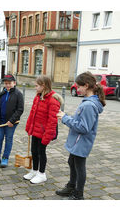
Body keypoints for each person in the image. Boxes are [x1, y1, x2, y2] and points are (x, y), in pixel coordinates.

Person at [56, 71, 105, 200]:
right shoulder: (87, 102)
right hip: (77, 141)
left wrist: (65, 118)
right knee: (71, 162)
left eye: (79, 86)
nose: (77, 89)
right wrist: (67, 116)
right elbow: (81, 121)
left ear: (86, 86)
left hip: (81, 142)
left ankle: (79, 194)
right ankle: (71, 186)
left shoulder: (89, 105)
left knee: (79, 166)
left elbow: (84, 127)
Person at [24, 75, 63, 184]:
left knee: (41, 152)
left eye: (36, 86)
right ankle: (35, 170)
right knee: (34, 151)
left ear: (43, 85)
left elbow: (52, 121)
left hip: (44, 132)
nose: (35, 88)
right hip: (36, 130)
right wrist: (29, 127)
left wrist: (47, 136)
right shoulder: (38, 96)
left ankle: (41, 174)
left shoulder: (52, 100)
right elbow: (32, 113)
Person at [0, 74, 24, 168]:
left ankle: (5, 158)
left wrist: (12, 120)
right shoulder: (2, 93)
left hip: (11, 123)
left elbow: (20, 109)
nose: (7, 85)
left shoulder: (18, 94)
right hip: (0, 122)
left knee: (8, 139)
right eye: (6, 83)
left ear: (14, 83)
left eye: (9, 83)